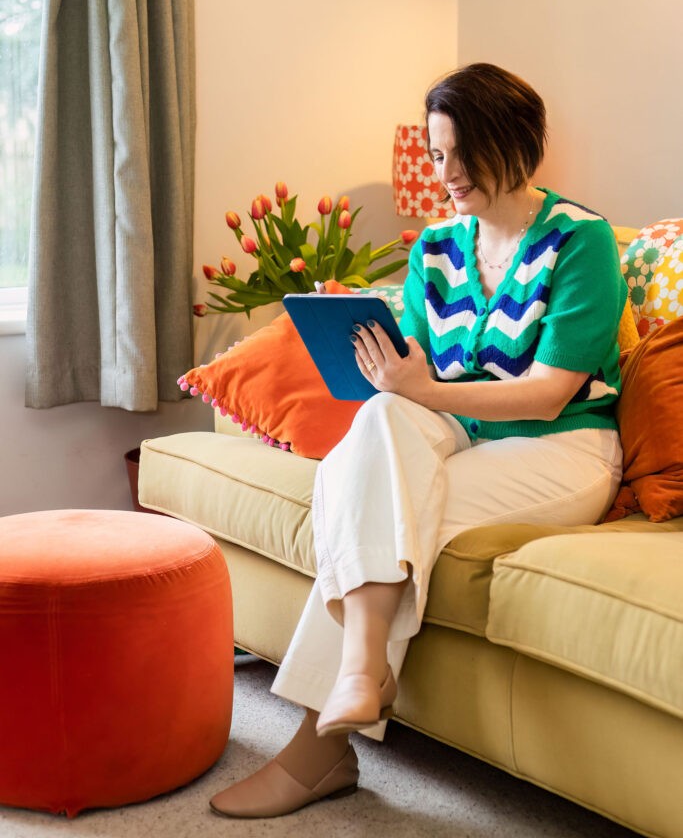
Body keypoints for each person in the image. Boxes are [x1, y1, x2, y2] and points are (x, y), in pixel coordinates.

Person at [209, 63, 626, 819]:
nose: (448, 172)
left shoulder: (581, 240)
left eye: (463, 151)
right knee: (376, 423)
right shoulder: (436, 248)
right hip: (462, 435)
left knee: (383, 501)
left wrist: (424, 391)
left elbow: (551, 388)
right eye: (436, 155)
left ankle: (315, 753)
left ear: (517, 142)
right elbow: (416, 378)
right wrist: (390, 376)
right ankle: (364, 666)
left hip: (562, 448)